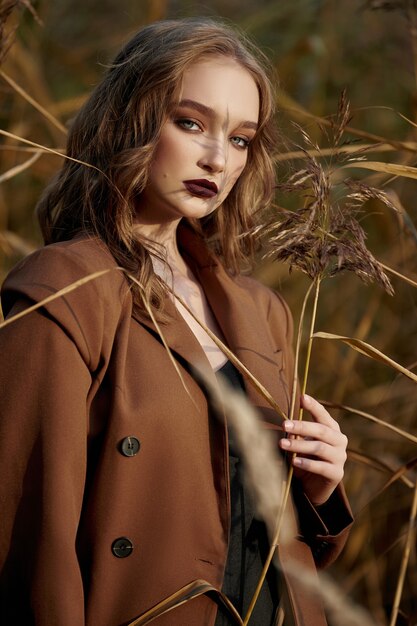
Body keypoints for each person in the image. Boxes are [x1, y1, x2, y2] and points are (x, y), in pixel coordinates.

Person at [0, 18, 353, 626]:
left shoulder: (261, 309)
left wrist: (319, 489)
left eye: (241, 139)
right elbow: (29, 539)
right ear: (130, 122)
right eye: (189, 123)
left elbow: (271, 536)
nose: (217, 158)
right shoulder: (65, 287)